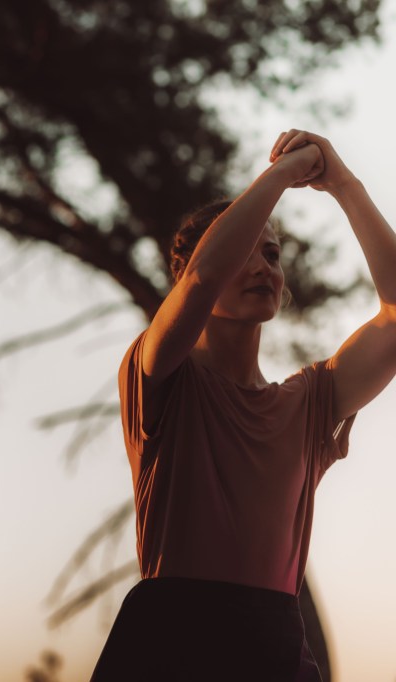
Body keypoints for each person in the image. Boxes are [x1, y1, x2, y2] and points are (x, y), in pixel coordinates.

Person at [92, 130, 396, 681]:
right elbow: (205, 278)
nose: (264, 268)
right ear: (184, 270)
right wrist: (281, 175)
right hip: (170, 641)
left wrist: (343, 184)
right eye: (247, 248)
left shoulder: (308, 402)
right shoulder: (158, 374)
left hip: (275, 644)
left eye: (273, 254)